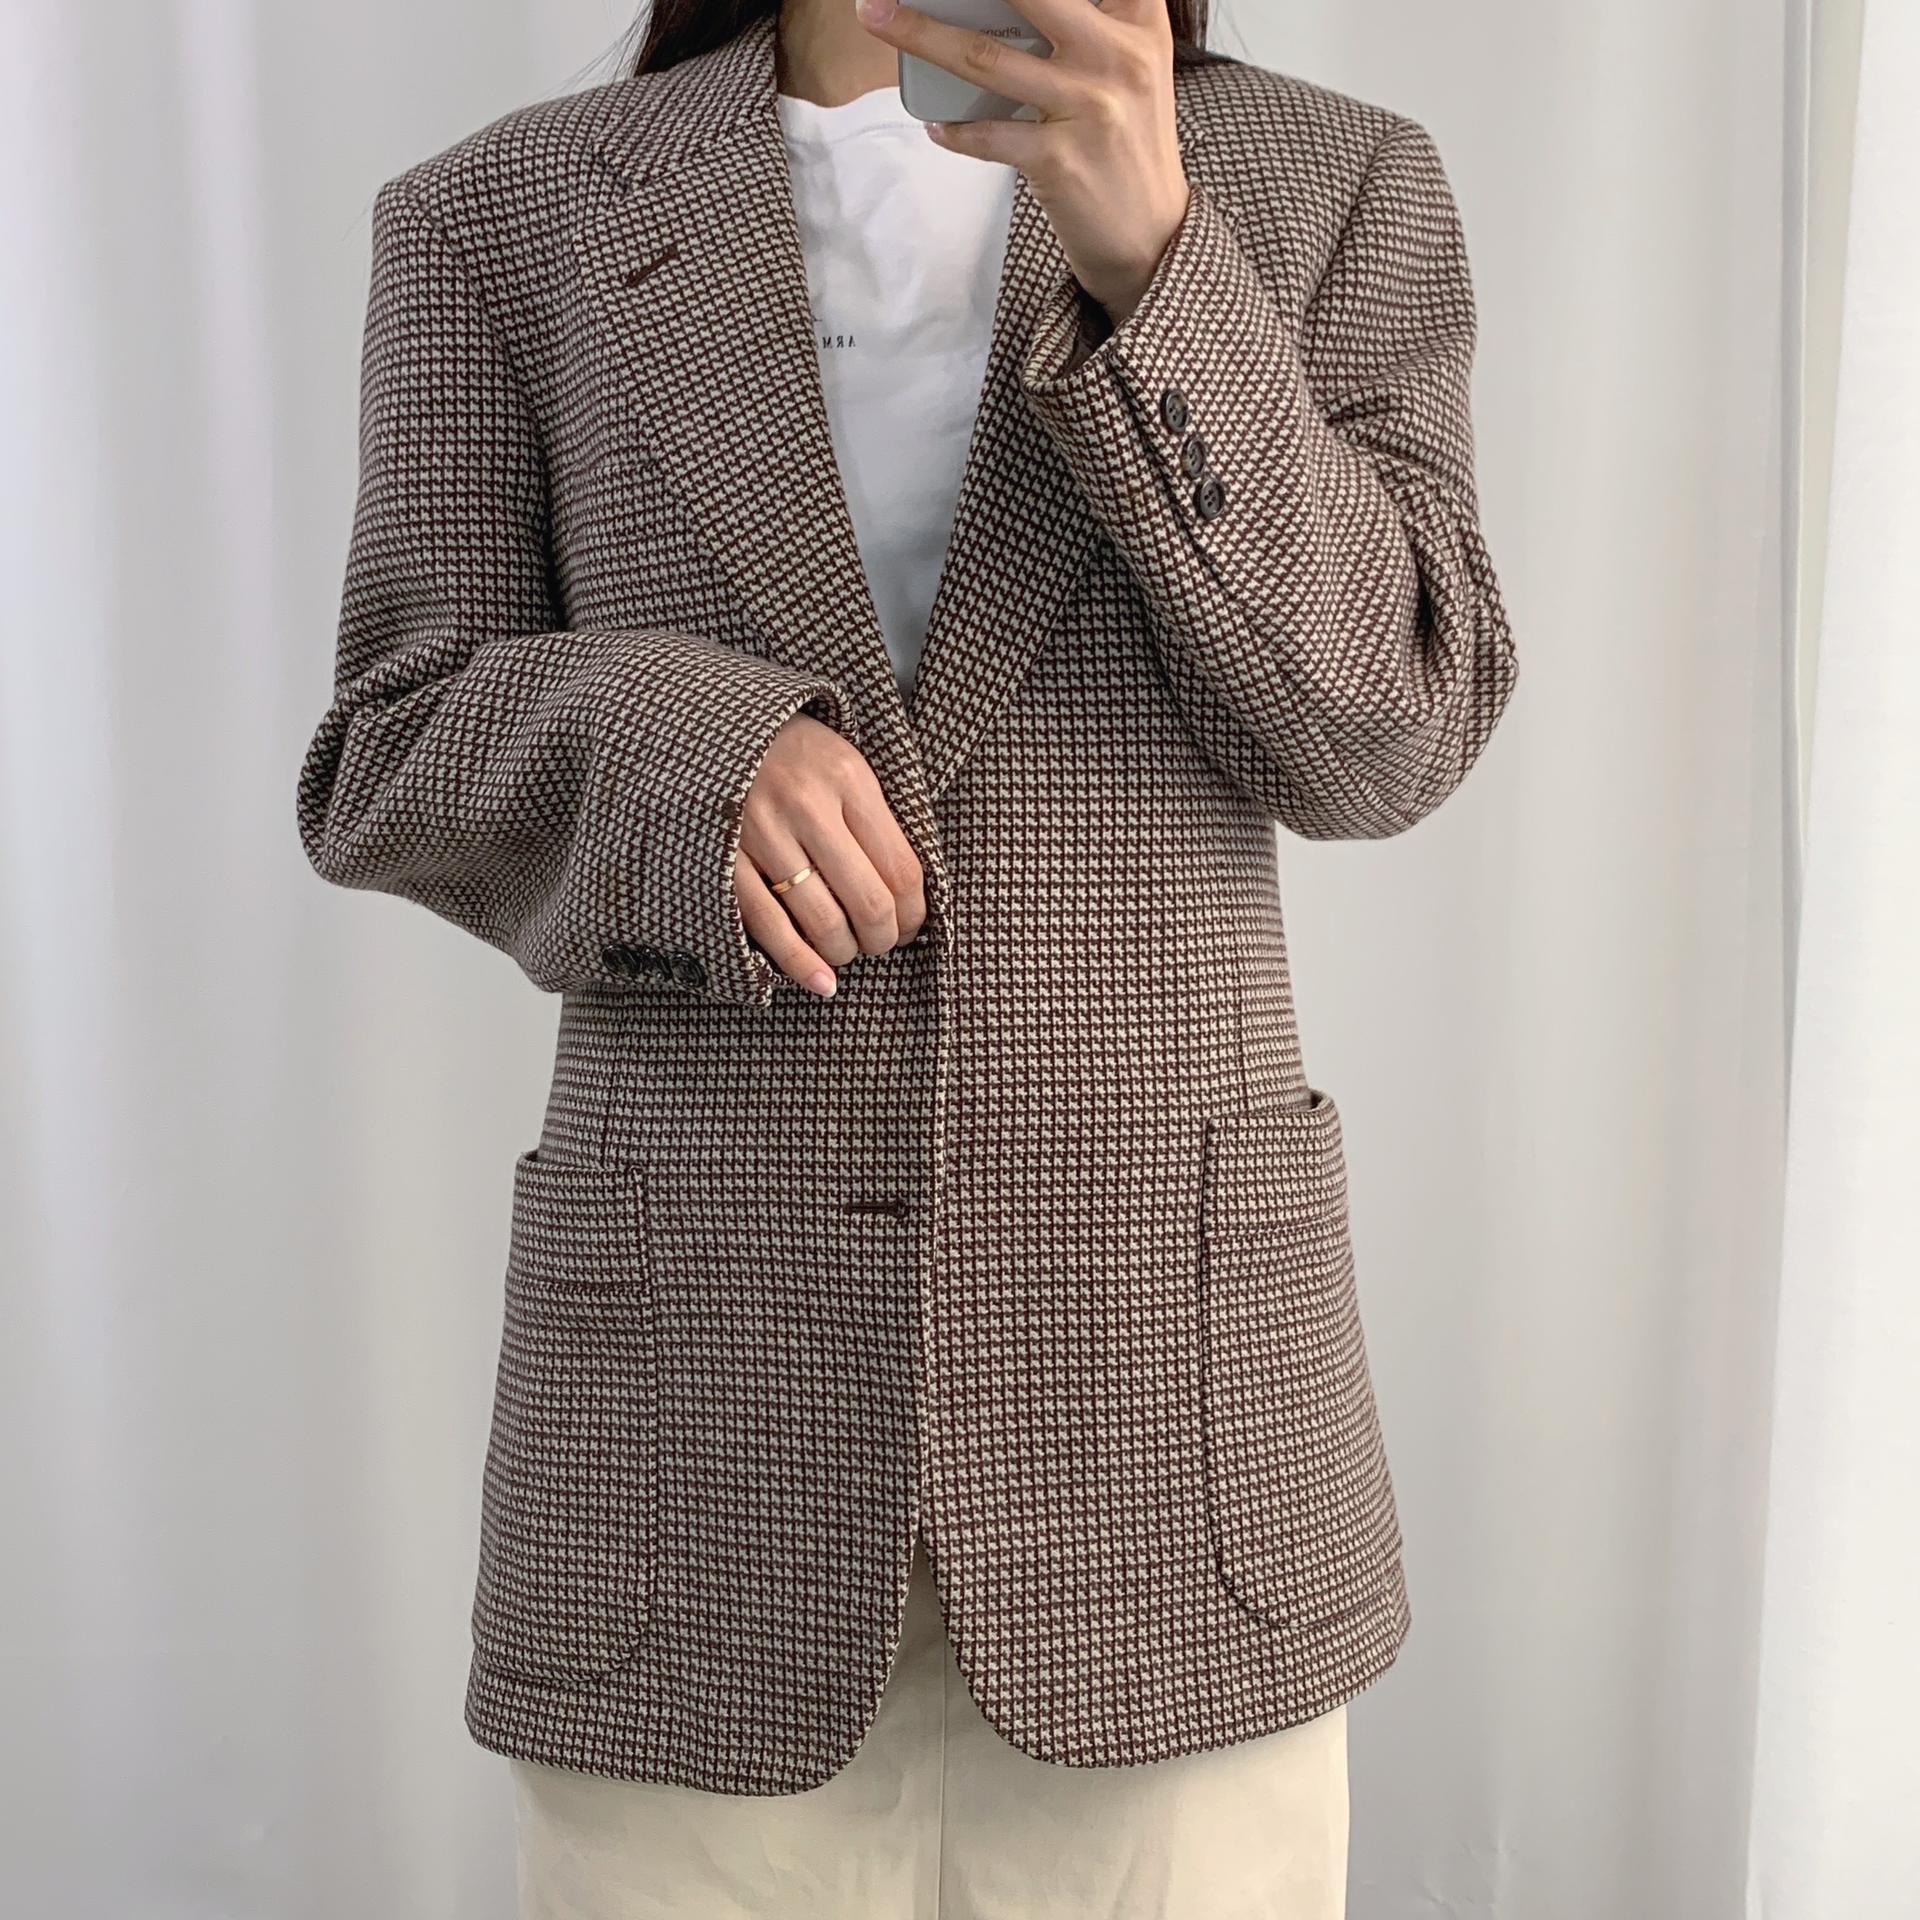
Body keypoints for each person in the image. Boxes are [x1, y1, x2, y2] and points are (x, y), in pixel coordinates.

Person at [294, 0, 1518, 1912]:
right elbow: (387, 749)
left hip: (1170, 1463)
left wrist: (1160, 268)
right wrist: (686, 755)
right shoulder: (503, 215)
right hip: (696, 1475)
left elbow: (1388, 732)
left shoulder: (1331, 184)